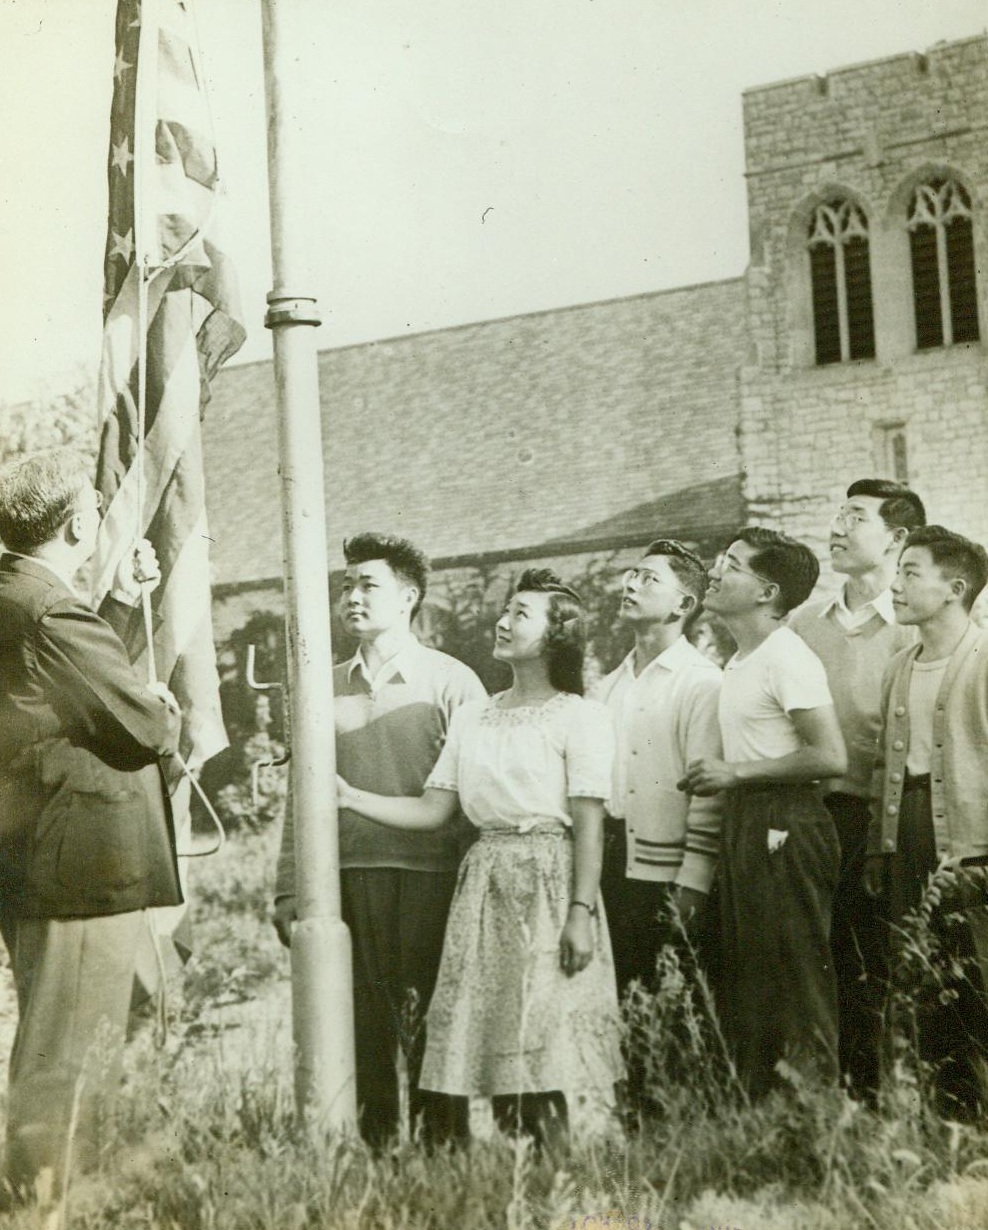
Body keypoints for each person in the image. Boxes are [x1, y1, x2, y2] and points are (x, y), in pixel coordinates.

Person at [337, 568, 622, 1152]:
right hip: (483, 882)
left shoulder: (580, 715)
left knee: (540, 1030)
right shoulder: (474, 715)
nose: (502, 621)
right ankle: (502, 1173)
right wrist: (348, 796)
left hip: (549, 878)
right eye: (504, 610)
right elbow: (433, 810)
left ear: (557, 634)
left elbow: (590, 823)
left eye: (520, 614)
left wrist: (580, 912)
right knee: (487, 1025)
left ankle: (555, 1167)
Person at [0, 448, 182, 1205]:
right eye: (98, 513)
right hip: (79, 871)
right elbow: (135, 725)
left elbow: (64, 699)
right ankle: (45, 1207)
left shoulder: (21, 595)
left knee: (73, 1043)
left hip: (52, 862)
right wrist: (164, 712)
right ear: (79, 523)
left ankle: (73, 1200)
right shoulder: (45, 605)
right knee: (68, 1057)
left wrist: (109, 607)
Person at [273, 532, 486, 1149]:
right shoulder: (320, 686)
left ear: (408, 597)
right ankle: (376, 1158)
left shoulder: (453, 683)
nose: (352, 598)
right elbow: (300, 796)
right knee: (361, 1030)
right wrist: (290, 883)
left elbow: (471, 801)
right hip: (339, 883)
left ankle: (445, 1156)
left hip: (430, 881)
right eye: (346, 586)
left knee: (429, 1025)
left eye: (368, 585)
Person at [683, 527, 847, 1096]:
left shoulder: (785, 656)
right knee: (753, 977)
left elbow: (830, 755)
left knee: (797, 977)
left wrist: (736, 773)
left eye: (732, 564)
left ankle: (818, 1121)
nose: (715, 571)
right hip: (748, 821)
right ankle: (768, 1122)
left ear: (765, 592)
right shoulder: (740, 659)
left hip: (788, 822)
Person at [790, 479, 925, 1102]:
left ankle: (897, 1100)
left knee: (884, 963)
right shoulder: (800, 625)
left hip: (883, 821)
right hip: (804, 817)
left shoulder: (916, 630)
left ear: (896, 539)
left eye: (856, 517)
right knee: (819, 962)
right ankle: (834, 1100)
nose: (838, 527)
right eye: (837, 514)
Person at [593, 540, 722, 1114]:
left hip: (668, 866)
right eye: (630, 574)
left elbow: (708, 793)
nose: (631, 584)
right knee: (623, 993)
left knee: (674, 995)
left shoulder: (700, 682)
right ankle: (636, 1118)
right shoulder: (610, 685)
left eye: (648, 579)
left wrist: (693, 879)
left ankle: (684, 1118)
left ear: (683, 604)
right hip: (610, 861)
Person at [865, 526, 988, 1121]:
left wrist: (977, 860)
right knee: (913, 981)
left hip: (971, 849)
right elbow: (885, 770)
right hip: (907, 839)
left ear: (955, 588)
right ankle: (938, 1122)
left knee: (973, 985)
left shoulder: (984, 660)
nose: (896, 583)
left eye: (912, 572)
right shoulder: (898, 667)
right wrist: (878, 850)